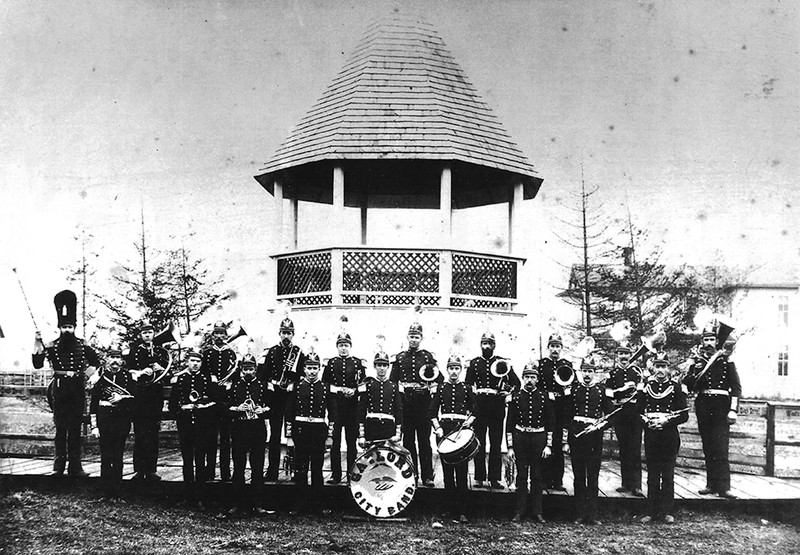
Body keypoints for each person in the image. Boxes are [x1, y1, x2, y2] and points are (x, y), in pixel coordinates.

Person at [32, 290, 100, 477]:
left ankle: (76, 467)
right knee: (61, 430)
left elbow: (96, 362)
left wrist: (87, 375)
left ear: (74, 328)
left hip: (77, 391)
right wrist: (37, 343)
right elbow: (37, 364)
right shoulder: (52, 346)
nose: (67, 330)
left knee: (75, 431)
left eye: (70, 327)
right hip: (60, 391)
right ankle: (58, 467)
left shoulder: (82, 345)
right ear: (60, 328)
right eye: (64, 327)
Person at [683, 325, 741, 499]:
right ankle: (711, 485)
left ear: (716, 341)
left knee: (721, 448)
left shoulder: (726, 360)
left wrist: (733, 410)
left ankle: (724, 487)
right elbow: (690, 384)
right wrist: (691, 368)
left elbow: (736, 388)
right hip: (704, 405)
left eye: (711, 340)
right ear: (702, 342)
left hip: (721, 407)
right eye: (705, 340)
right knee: (708, 446)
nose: (708, 343)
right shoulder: (697, 361)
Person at [465, 331, 519, 490]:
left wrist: (506, 390)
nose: (486, 346)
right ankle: (479, 478)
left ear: (494, 345)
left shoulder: (502, 363)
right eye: (484, 343)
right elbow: (468, 385)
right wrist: (471, 404)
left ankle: (495, 478)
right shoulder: (474, 363)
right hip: (479, 406)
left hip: (496, 406)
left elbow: (516, 383)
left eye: (489, 343)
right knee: (478, 442)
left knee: (496, 444)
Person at [639, 352, 689, 523]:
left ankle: (667, 511)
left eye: (664, 366)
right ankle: (651, 511)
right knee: (652, 473)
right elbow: (637, 412)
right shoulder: (646, 387)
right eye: (658, 366)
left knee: (667, 474)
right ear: (653, 367)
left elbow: (684, 415)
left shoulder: (676, 387)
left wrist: (666, 421)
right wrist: (647, 422)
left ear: (669, 368)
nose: (660, 370)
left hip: (669, 436)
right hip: (652, 434)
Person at [390, 322, 441, 487]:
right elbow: (392, 382)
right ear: (407, 337)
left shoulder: (427, 357)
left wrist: (428, 386)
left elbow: (439, 379)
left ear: (421, 338)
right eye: (411, 337)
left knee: (424, 441)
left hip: (423, 404)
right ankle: (412, 474)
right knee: (408, 441)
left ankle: (428, 476)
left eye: (417, 337)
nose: (414, 340)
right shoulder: (399, 358)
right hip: (406, 405)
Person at [285, 353, 337, 515]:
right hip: (300, 430)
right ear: (304, 369)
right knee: (300, 468)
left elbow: (333, 414)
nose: (312, 372)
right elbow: (289, 412)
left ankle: (318, 503)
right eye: (309, 368)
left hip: (318, 430)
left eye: (315, 368)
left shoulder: (327, 388)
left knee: (317, 467)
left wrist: (329, 436)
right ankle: (299, 504)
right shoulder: (296, 387)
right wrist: (289, 437)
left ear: (320, 369)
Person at [566, 355, 613, 525]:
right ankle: (579, 514)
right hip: (577, 435)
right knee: (578, 476)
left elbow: (610, 415)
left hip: (594, 437)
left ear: (594, 373)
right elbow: (566, 414)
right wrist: (571, 432)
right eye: (584, 371)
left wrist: (599, 427)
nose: (587, 374)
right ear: (580, 372)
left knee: (593, 475)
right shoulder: (573, 389)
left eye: (590, 371)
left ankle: (592, 514)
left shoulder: (602, 391)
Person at [258, 317, 306, 481]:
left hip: (291, 398)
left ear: (293, 334)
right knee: (275, 434)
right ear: (279, 333)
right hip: (276, 398)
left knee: (293, 434)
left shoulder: (298, 352)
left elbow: (303, 374)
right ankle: (272, 470)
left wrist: (294, 384)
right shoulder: (272, 351)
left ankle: (294, 471)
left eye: (289, 333)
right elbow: (264, 376)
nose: (286, 336)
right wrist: (272, 383)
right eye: (284, 333)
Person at [430, 355, 477, 523]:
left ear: (461, 370)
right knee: (448, 473)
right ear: (447, 370)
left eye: (457, 368)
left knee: (462, 473)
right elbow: (432, 412)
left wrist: (467, 424)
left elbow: (475, 411)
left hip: (460, 432)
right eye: (451, 368)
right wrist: (438, 428)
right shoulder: (441, 388)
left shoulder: (467, 388)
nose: (454, 371)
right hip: (445, 432)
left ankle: (463, 511)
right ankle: (450, 508)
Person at [506, 362, 554, 523]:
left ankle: (537, 512)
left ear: (537, 379)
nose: (529, 380)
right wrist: (510, 447)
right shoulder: (516, 397)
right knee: (521, 476)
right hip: (521, 438)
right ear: (523, 378)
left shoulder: (544, 397)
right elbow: (510, 423)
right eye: (526, 377)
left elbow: (550, 422)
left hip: (539, 439)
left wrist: (548, 445)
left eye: (532, 377)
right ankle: (519, 511)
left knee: (537, 476)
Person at [170, 348, 218, 508]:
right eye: (192, 361)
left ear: (201, 363)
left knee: (200, 460)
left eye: (198, 361)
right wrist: (183, 408)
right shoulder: (180, 379)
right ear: (187, 362)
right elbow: (172, 406)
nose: (195, 364)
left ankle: (201, 498)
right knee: (187, 460)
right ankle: (188, 496)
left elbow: (214, 401)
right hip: (185, 424)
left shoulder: (206, 379)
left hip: (202, 424)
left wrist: (203, 406)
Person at [226, 353, 272, 516]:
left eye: (251, 369)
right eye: (245, 369)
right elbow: (226, 407)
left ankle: (257, 504)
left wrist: (262, 411)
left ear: (256, 369)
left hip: (257, 429)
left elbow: (272, 407)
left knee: (257, 466)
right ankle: (237, 504)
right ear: (241, 369)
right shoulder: (233, 385)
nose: (248, 372)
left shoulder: (264, 386)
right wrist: (237, 409)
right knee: (238, 467)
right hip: (239, 429)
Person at [89, 343, 135, 497]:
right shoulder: (99, 377)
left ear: (122, 360)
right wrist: (94, 426)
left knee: (118, 456)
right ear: (106, 359)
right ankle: (105, 492)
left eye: (118, 357)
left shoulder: (128, 377)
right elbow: (94, 402)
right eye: (112, 357)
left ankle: (117, 491)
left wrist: (122, 398)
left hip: (121, 419)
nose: (115, 361)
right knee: (105, 455)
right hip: (104, 419)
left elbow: (134, 398)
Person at [128, 319, 170, 481]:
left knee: (153, 433)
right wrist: (140, 371)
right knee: (140, 432)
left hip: (155, 395)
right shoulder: (134, 351)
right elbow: (128, 369)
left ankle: (151, 469)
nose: (147, 335)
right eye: (144, 333)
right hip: (140, 394)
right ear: (141, 335)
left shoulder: (160, 351)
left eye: (150, 333)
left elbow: (168, 372)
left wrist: (161, 368)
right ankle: (139, 470)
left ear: (153, 334)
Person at [322, 332, 365, 484]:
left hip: (352, 408)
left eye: (346, 345)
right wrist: (339, 390)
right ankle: (335, 474)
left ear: (350, 346)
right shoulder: (331, 363)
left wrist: (354, 391)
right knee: (335, 441)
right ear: (337, 347)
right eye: (341, 345)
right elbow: (324, 384)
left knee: (351, 443)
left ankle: (351, 475)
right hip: (336, 408)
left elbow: (363, 385)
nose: (343, 348)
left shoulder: (358, 363)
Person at [605, 341, 645, 497]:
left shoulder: (637, 372)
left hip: (634, 413)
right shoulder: (612, 373)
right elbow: (608, 394)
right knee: (623, 448)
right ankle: (626, 483)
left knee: (634, 449)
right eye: (621, 354)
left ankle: (636, 485)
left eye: (626, 354)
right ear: (617, 356)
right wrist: (621, 390)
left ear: (630, 355)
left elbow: (642, 394)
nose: (624, 357)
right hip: (620, 412)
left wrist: (635, 391)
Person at [202, 321, 238, 482]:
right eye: (216, 333)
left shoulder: (231, 353)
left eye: (222, 334)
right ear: (213, 335)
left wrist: (230, 383)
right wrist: (211, 378)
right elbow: (202, 374)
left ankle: (225, 472)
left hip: (226, 400)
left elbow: (236, 373)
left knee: (225, 438)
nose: (219, 336)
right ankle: (209, 471)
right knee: (209, 437)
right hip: (211, 398)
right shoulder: (207, 352)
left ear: (226, 335)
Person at [539, 333, 574, 491]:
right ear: (548, 347)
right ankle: (545, 479)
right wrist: (547, 394)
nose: (555, 349)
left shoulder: (567, 364)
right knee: (547, 441)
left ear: (561, 348)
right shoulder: (541, 365)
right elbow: (538, 387)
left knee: (559, 441)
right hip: (546, 407)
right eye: (552, 346)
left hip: (561, 408)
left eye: (557, 346)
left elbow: (573, 384)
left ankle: (558, 480)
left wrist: (567, 391)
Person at [358, 351, 403, 445]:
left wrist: (398, 434)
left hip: (388, 427)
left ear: (388, 367)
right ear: (374, 366)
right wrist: (361, 435)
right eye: (379, 365)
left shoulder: (394, 386)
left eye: (384, 365)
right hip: (371, 426)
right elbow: (361, 409)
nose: (382, 368)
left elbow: (398, 410)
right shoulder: (368, 384)